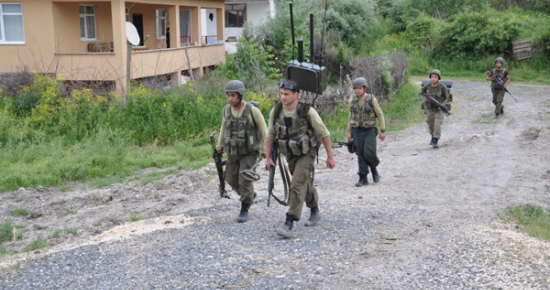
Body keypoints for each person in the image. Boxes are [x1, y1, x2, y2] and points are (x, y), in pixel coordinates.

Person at [266, 79, 336, 238]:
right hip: (290, 155)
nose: (283, 97)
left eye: (286, 94)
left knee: (297, 184)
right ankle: (315, 209)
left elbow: (324, 133)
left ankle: (289, 222)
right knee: (303, 183)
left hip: (306, 153)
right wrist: (269, 157)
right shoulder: (276, 111)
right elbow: (270, 135)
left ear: (295, 94)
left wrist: (330, 156)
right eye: (281, 93)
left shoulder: (307, 111)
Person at [217, 80, 267, 223]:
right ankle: (249, 195)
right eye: (228, 96)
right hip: (233, 151)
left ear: (240, 95)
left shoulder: (252, 111)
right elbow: (223, 128)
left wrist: (265, 149)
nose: (230, 99)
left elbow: (264, 130)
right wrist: (220, 144)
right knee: (230, 177)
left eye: (233, 95)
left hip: (249, 152)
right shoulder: (227, 110)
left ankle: (244, 208)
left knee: (244, 178)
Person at [347, 77, 386, 186]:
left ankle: (373, 169)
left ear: (364, 88)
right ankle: (363, 177)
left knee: (369, 152)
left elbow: (380, 115)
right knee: (360, 153)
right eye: (356, 88)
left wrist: (382, 130)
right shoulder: (352, 101)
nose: (358, 90)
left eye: (360, 88)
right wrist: (349, 132)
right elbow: (350, 117)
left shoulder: (371, 99)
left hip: (369, 131)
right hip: (357, 130)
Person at [420, 69, 449, 149]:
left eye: (435, 77)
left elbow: (447, 98)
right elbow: (420, 93)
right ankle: (433, 136)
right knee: (430, 124)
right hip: (429, 109)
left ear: (438, 78)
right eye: (432, 77)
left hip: (439, 109)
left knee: (437, 124)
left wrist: (442, 105)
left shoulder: (442, 87)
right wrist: (423, 98)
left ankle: (435, 140)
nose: (433, 78)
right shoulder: (427, 86)